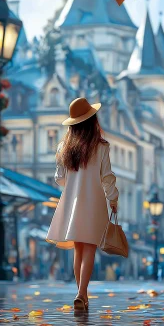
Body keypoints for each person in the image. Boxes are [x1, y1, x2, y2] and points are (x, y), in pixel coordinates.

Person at [46, 98, 119, 311]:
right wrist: (113, 198)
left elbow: (59, 178)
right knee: (89, 249)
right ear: (92, 120)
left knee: (78, 249)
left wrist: (74, 181)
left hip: (72, 202)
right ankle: (81, 294)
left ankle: (81, 295)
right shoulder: (101, 146)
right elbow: (107, 176)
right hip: (94, 201)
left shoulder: (64, 148)